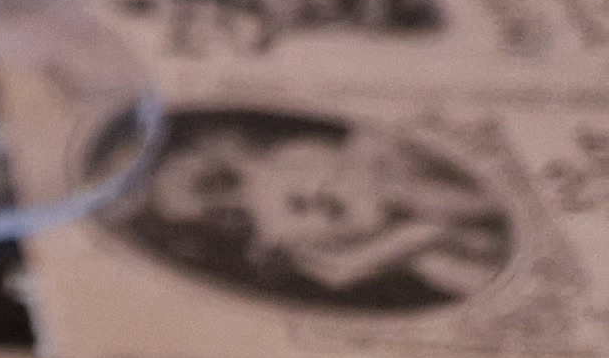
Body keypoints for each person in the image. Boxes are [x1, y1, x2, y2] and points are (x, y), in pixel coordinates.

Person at [120, 112, 511, 310]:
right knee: (442, 260)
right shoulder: (283, 240)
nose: (238, 202)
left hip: (415, 190)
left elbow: (359, 181)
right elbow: (354, 247)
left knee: (402, 181)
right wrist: (415, 237)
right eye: (220, 216)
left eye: (220, 182)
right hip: (424, 241)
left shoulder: (292, 156)